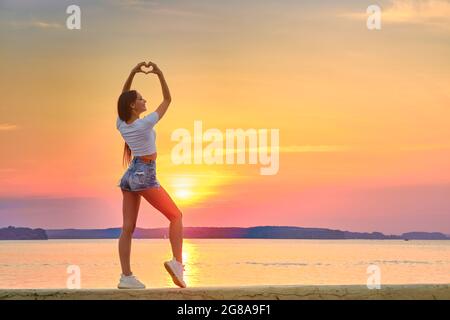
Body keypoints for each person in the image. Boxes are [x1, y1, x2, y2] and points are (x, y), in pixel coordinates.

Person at [115, 61, 186, 289]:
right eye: (142, 98)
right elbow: (167, 100)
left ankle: (126, 277)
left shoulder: (121, 123)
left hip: (130, 175)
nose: (145, 100)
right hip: (144, 173)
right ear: (134, 106)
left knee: (127, 228)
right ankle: (177, 263)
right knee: (176, 216)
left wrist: (132, 72)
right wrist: (160, 74)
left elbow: (122, 97)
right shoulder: (144, 124)